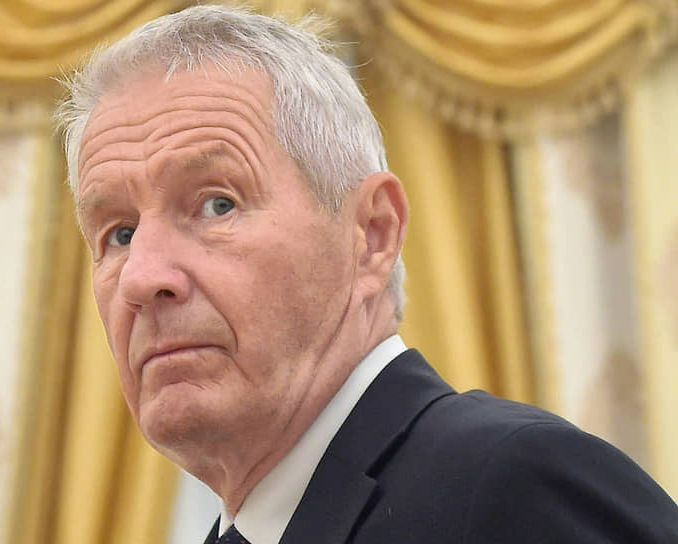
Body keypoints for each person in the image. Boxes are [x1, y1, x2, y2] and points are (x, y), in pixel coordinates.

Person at [57, 5, 678, 543]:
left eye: (217, 204)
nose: (141, 277)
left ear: (372, 234)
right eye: (120, 234)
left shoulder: (513, 486)